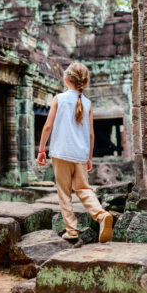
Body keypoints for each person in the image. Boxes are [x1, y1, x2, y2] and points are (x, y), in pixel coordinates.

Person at [36, 62, 113, 243]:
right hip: (80, 154)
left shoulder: (59, 99)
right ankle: (101, 215)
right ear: (84, 83)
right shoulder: (87, 103)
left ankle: (71, 230)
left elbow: (47, 126)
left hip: (61, 153)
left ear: (65, 80)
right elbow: (91, 134)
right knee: (84, 189)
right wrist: (89, 157)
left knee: (64, 192)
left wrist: (41, 150)